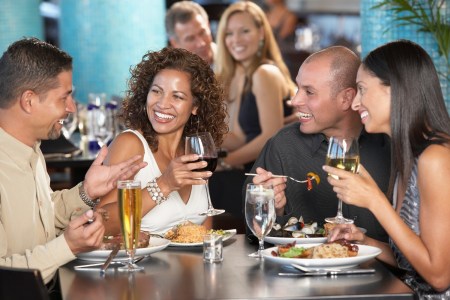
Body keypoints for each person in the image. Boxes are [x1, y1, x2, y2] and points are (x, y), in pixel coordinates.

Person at [0, 38, 146, 287]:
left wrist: (86, 192)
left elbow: (40, 216)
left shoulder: (30, 149)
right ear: (29, 101)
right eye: (64, 97)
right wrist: (67, 246)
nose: (71, 108)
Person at [326, 40, 450, 297]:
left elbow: (439, 277)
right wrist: (366, 241)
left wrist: (376, 201)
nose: (354, 103)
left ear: (395, 89)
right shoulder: (409, 155)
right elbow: (415, 262)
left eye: (362, 89)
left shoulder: (436, 157)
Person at [247, 45, 391, 243]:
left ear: (346, 98)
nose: (295, 100)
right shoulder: (283, 146)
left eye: (309, 92)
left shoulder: (391, 148)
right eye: (298, 88)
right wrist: (271, 208)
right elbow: (253, 236)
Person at [96, 47, 228, 235]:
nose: (162, 104)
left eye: (177, 96)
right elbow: (101, 223)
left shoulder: (194, 151)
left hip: (190, 264)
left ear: (195, 106)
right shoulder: (130, 144)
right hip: (140, 263)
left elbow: (204, 225)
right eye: (157, 91)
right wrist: (164, 184)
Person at [215, 1, 296, 172]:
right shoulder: (239, 74)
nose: (236, 39)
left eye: (244, 31)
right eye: (229, 33)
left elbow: (270, 138)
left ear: (261, 33)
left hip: (268, 175)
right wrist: (193, 131)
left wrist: (223, 163)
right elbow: (240, 138)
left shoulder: (264, 73)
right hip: (251, 170)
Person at [165, 1, 216, 66]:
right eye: (191, 39)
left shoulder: (232, 57)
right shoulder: (171, 73)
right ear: (175, 43)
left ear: (208, 26)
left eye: (202, 32)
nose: (201, 44)